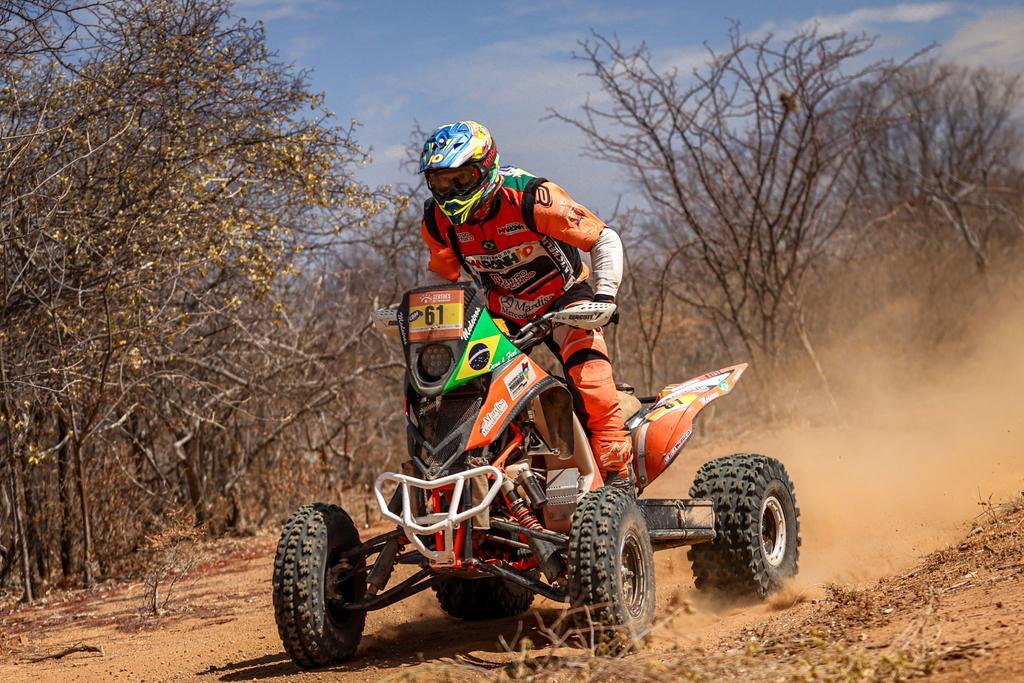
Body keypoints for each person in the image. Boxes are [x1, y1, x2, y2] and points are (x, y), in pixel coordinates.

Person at [417, 120, 633, 493]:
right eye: (441, 182)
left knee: (592, 383)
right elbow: (441, 277)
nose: (451, 192)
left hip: (564, 300)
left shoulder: (532, 197)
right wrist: (426, 320)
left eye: (461, 179)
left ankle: (618, 481)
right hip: (503, 311)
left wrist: (605, 296)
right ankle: (483, 484)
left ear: (486, 167)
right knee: (467, 390)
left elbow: (603, 238)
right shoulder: (437, 221)